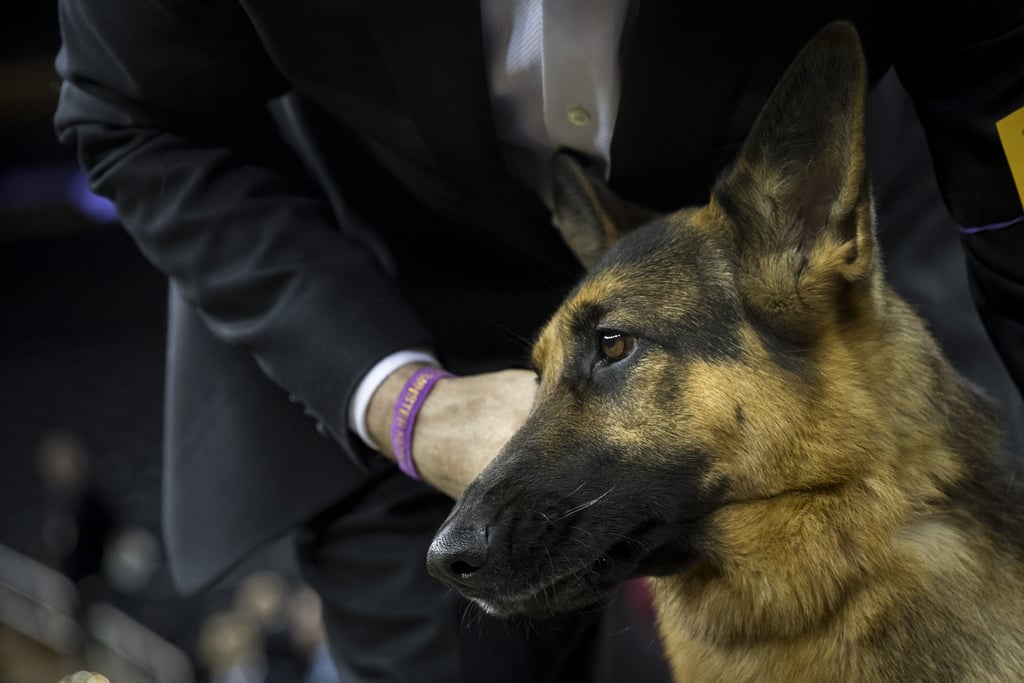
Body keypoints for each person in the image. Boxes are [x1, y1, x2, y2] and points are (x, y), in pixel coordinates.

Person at [54, 2, 1024, 681]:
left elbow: (1002, 89)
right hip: (375, 306)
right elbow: (132, 119)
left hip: (764, 291)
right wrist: (405, 402)